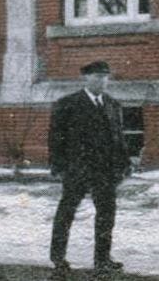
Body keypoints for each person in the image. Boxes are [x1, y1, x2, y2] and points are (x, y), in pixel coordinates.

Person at [49, 60, 132, 280]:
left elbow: (118, 138)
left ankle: (102, 259)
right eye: (96, 77)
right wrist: (59, 167)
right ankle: (58, 258)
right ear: (86, 78)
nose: (101, 81)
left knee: (106, 215)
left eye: (105, 77)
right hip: (77, 170)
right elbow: (56, 138)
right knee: (67, 212)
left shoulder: (113, 105)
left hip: (106, 172)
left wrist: (125, 164)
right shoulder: (68, 103)